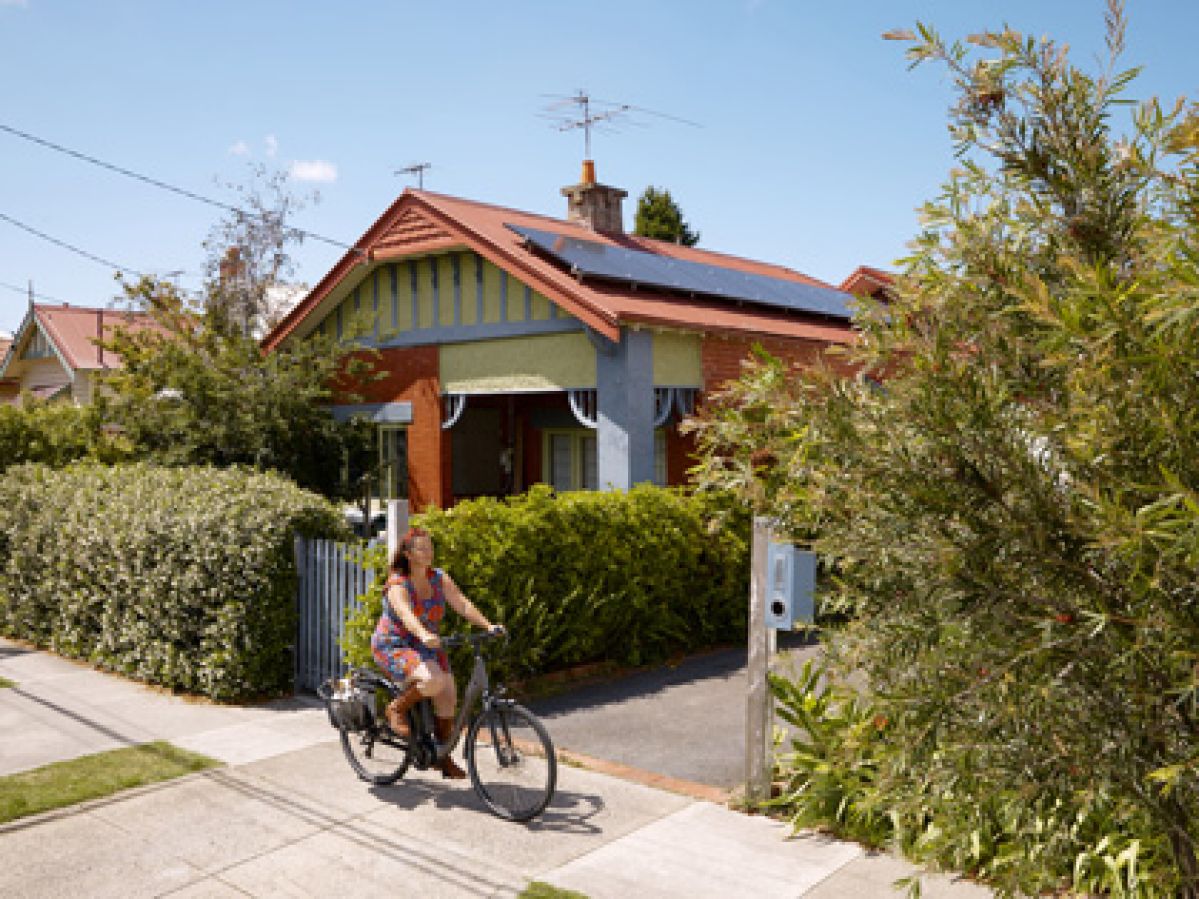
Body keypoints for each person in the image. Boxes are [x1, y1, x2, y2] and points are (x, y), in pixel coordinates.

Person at [370, 526, 501, 779]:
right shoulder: (398, 584)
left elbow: (462, 603)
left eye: (430, 547)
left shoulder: (438, 578)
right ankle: (395, 709)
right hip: (395, 645)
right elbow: (407, 615)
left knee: (448, 697)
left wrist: (488, 625)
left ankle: (442, 757)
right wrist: (423, 634)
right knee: (433, 680)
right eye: (422, 548)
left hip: (428, 645)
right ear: (408, 553)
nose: (429, 552)